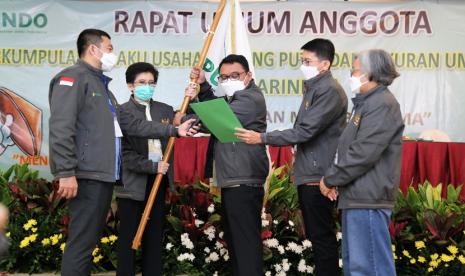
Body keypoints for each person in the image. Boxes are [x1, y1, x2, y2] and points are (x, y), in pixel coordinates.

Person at [49, 29, 196, 276]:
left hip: (103, 176)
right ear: (93, 49)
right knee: (82, 242)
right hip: (87, 174)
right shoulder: (72, 78)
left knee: (88, 242)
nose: (112, 53)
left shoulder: (103, 88)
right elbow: (61, 127)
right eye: (109, 48)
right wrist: (65, 172)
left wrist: (174, 130)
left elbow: (132, 126)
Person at [235, 38, 347, 275]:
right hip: (311, 172)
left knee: (322, 237)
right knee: (318, 237)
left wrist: (262, 138)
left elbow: (306, 131)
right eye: (302, 60)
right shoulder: (315, 88)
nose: (302, 65)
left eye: (308, 61)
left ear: (325, 64)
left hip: (318, 176)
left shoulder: (328, 90)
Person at [320, 49, 404, 276]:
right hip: (357, 196)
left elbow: (362, 153)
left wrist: (331, 178)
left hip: (368, 198)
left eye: (355, 71)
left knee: (370, 268)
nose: (351, 75)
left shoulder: (381, 104)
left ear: (371, 74)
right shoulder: (366, 103)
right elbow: (349, 149)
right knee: (356, 267)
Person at [186, 54, 269, 276]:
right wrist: (203, 86)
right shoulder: (234, 98)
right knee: (235, 241)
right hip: (235, 178)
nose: (228, 80)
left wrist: (194, 103)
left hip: (244, 178)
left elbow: (216, 120)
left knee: (245, 243)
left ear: (248, 75)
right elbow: (216, 108)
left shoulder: (250, 99)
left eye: (235, 75)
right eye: (223, 77)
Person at [115, 62, 174, 276]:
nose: (147, 87)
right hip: (133, 181)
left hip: (159, 180)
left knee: (154, 234)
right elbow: (125, 153)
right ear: (130, 85)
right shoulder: (122, 112)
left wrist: (194, 96)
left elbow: (187, 122)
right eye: (141, 82)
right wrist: (151, 166)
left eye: (151, 83)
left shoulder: (164, 110)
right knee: (130, 235)